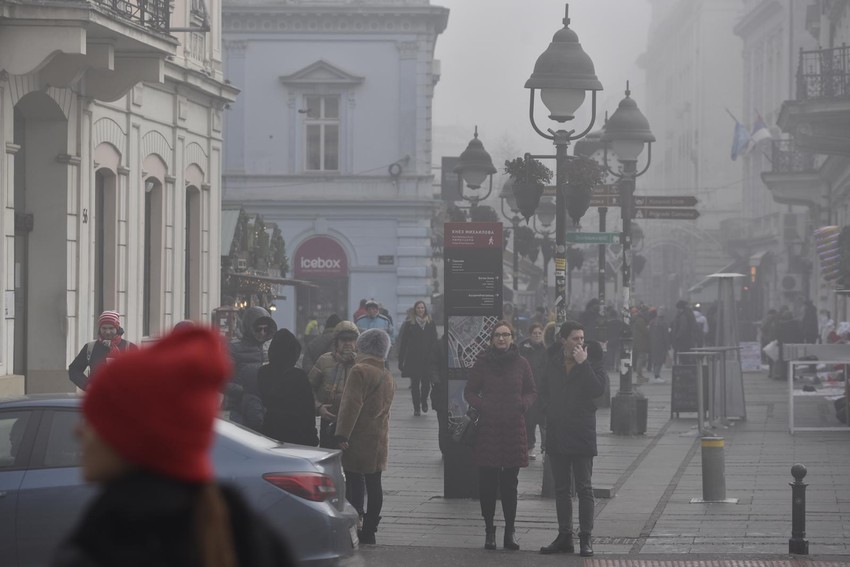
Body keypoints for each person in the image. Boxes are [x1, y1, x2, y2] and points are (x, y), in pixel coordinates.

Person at [53, 326, 296, 567]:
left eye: (95, 420)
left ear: (133, 437)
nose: (78, 431)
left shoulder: (112, 542)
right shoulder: (248, 537)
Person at [464, 320, 537, 552]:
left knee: (510, 484)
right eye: (497, 335)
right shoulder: (483, 362)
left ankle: (510, 531)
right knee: (487, 483)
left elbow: (531, 390)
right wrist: (484, 405)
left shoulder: (522, 363)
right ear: (492, 339)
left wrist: (522, 405)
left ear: (512, 338)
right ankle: (489, 529)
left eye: (506, 335)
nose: (502, 338)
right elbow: (469, 391)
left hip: (514, 428)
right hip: (489, 429)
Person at [538, 321, 607, 557]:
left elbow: (598, 390)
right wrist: (548, 410)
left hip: (581, 431)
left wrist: (583, 363)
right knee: (561, 488)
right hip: (558, 430)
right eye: (575, 338)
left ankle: (586, 537)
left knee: (584, 487)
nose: (580, 342)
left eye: (582, 338)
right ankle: (564, 536)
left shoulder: (592, 360)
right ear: (563, 340)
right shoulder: (553, 361)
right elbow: (542, 389)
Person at [334, 329, 395, 545]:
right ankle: (370, 530)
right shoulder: (386, 374)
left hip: (358, 437)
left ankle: (354, 524)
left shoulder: (359, 370)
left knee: (353, 480)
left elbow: (351, 405)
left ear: (363, 346)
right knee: (374, 483)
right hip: (378, 438)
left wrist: (342, 433)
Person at [259, 329, 319, 446]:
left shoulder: (263, 373)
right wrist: (312, 436)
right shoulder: (298, 376)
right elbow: (308, 410)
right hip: (297, 434)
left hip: (270, 432)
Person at [308, 321, 359, 448]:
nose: (347, 343)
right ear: (336, 342)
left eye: (351, 339)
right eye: (343, 340)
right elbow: (308, 388)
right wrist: (319, 407)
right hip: (329, 419)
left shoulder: (361, 362)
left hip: (356, 423)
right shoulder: (324, 361)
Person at [224, 306, 277, 429]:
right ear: (249, 328)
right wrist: (245, 392)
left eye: (266, 329)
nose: (262, 333)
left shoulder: (270, 348)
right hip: (240, 409)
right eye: (258, 329)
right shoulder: (234, 349)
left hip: (265, 408)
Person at [68, 310, 138, 391]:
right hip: (98, 395)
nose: (107, 332)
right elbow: (74, 370)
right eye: (104, 328)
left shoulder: (130, 348)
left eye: (111, 328)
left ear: (117, 328)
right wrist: (87, 386)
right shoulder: (90, 348)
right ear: (99, 329)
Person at [397, 300, 439, 416]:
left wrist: (436, 358)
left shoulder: (431, 323)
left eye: (422, 308)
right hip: (413, 359)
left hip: (427, 359)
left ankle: (424, 400)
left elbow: (435, 341)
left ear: (425, 309)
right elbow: (404, 343)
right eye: (418, 308)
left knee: (426, 385)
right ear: (415, 310)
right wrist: (401, 360)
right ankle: (416, 407)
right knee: (415, 385)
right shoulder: (409, 324)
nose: (420, 310)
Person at [519, 323, 547, 460]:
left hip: (544, 390)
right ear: (530, 335)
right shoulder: (523, 349)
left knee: (544, 422)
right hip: (528, 390)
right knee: (529, 421)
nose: (537, 335)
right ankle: (530, 447)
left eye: (539, 333)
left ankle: (546, 449)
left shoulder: (546, 348)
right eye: (535, 333)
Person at [648, 307, 671, 383]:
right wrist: (668, 345)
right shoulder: (664, 323)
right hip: (661, 344)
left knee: (655, 360)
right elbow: (666, 336)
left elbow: (649, 333)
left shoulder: (652, 322)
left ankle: (656, 375)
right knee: (659, 360)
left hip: (653, 343)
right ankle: (657, 375)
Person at [631, 307, 650, 384]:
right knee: (641, 358)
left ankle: (640, 375)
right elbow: (645, 331)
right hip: (641, 342)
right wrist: (648, 329)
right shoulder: (640, 320)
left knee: (641, 358)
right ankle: (639, 376)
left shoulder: (638, 320)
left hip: (639, 342)